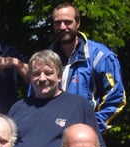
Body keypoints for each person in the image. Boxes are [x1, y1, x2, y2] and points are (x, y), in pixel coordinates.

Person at [9, 49, 104, 147]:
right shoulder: (17, 108)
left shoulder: (78, 105)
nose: (42, 78)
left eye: (48, 73)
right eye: (36, 74)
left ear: (59, 76)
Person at [50, 2, 126, 134]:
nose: (62, 27)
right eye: (58, 22)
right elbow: (34, 96)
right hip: (52, 136)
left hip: (86, 139)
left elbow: (116, 98)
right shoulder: (47, 58)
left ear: (78, 23)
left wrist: (92, 127)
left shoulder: (99, 56)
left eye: (67, 22)